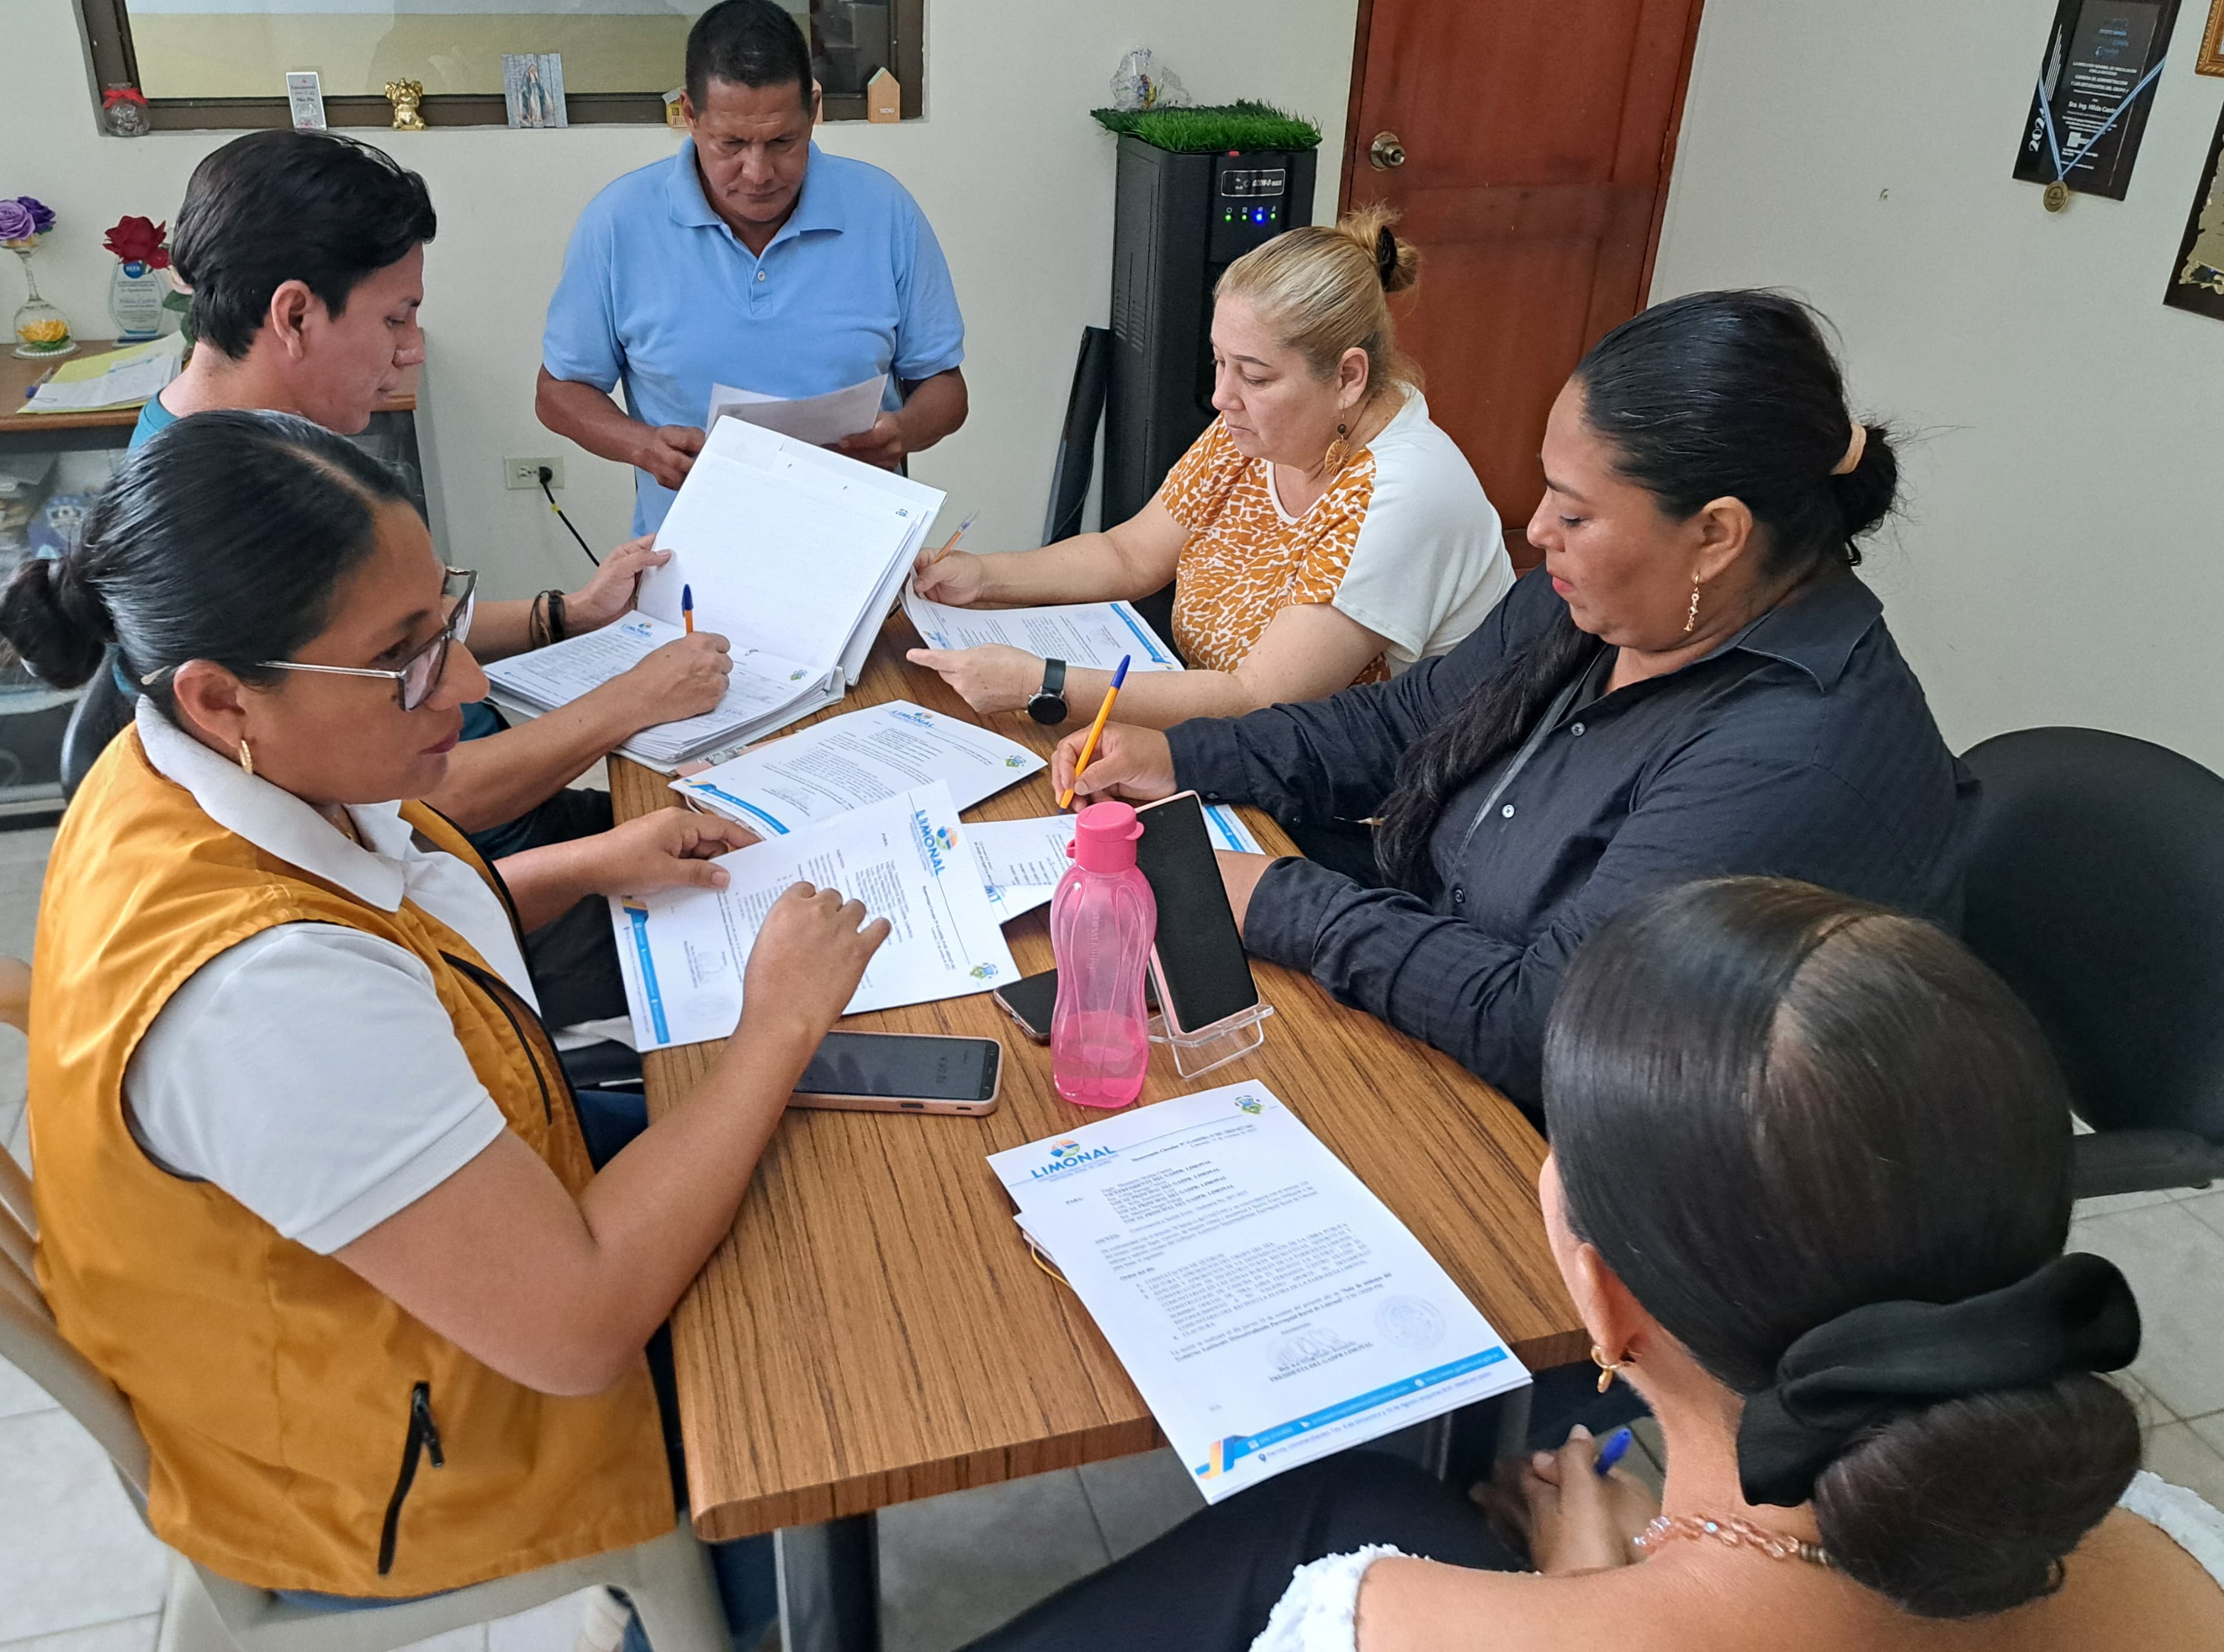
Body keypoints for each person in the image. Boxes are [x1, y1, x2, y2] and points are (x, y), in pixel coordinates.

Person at [0, 412, 888, 1651]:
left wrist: (588, 863)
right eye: (404, 660)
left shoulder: (195, 763)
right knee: (803, 1360)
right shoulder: (261, 996)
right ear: (222, 696)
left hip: (402, 1256)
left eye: (446, 624)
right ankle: (732, 1612)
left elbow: (385, 927)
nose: (465, 688)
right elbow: (575, 1333)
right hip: (382, 1452)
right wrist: (777, 1022)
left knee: (825, 1182)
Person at [962, 877, 2224, 1652]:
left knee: (1356, 1512)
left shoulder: (1373, 1624)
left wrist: (1582, 1594)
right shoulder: (2184, 1552)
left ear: (1605, 1305)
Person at [1053, 290, 1974, 1109]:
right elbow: (1402, 723)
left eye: (1574, 514)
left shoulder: (1789, 753)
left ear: (1715, 537)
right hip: (1431, 1027)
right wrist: (1182, 754)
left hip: (1587, 1148)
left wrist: (1274, 901)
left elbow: (1549, 1023)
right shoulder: (1611, 601)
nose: (1536, 533)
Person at [137, 129, 733, 1025]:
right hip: (449, 879)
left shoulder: (235, 447)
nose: (412, 348)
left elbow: (393, 631)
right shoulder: (223, 517)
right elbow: (425, 796)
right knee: (763, 911)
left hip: (483, 833)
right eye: (395, 318)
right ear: (294, 316)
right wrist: (630, 701)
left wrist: (564, 614)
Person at [906, 210, 1509, 729]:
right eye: (1220, 362)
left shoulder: (1402, 494)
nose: (1223, 397)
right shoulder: (1256, 428)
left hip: (1392, 785)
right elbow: (1130, 555)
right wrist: (982, 576)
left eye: (1254, 376)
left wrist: (1045, 684)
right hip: (1247, 741)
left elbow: (1260, 698)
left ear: (1349, 377)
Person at [534, 0, 967, 534]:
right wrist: (643, 446)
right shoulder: (619, 223)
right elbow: (558, 393)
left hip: (861, 543)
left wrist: (902, 432)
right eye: (732, 144)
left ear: (813, 109)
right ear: (690, 115)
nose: (758, 173)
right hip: (689, 550)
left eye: (783, 141)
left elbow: (945, 389)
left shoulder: (884, 212)